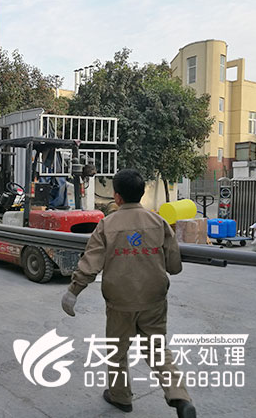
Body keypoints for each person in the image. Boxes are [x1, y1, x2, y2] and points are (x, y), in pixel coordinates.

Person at [61, 169, 196, 418]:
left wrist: (73, 291)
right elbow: (174, 266)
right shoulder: (158, 222)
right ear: (142, 193)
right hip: (154, 299)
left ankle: (121, 397)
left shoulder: (107, 224)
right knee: (157, 349)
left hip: (119, 302)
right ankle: (180, 397)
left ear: (117, 196)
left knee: (118, 351)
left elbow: (90, 263)